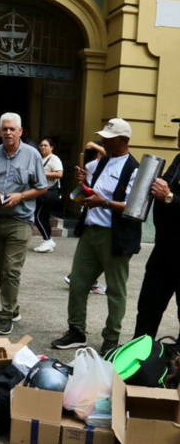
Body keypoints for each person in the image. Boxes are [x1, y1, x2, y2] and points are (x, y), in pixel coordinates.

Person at [51, 118, 141, 355]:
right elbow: (94, 187)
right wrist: (85, 185)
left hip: (116, 236)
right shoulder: (103, 162)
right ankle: (76, 331)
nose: (103, 141)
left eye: (108, 139)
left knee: (115, 290)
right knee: (78, 283)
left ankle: (111, 339)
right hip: (91, 232)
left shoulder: (134, 169)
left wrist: (105, 202)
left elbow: (134, 208)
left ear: (123, 140)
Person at [0, 113, 49, 335]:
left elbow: (43, 187)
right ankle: (13, 307)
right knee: (0, 270)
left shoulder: (32, 155)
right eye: (4, 129)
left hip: (20, 220)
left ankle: (7, 314)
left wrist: (21, 196)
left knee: (11, 270)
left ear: (20, 132)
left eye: (12, 129)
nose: (8, 132)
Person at [133, 120, 180, 340]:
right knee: (148, 307)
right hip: (164, 248)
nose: (179, 132)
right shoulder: (178, 159)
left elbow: (169, 195)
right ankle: (138, 361)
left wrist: (168, 196)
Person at [32, 136, 65, 252]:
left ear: (51, 148)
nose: (42, 147)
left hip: (48, 193)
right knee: (44, 217)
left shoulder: (54, 159)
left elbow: (59, 174)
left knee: (37, 216)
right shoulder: (41, 159)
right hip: (42, 192)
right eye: (41, 145)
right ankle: (47, 242)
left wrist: (42, 173)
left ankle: (48, 240)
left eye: (45, 145)